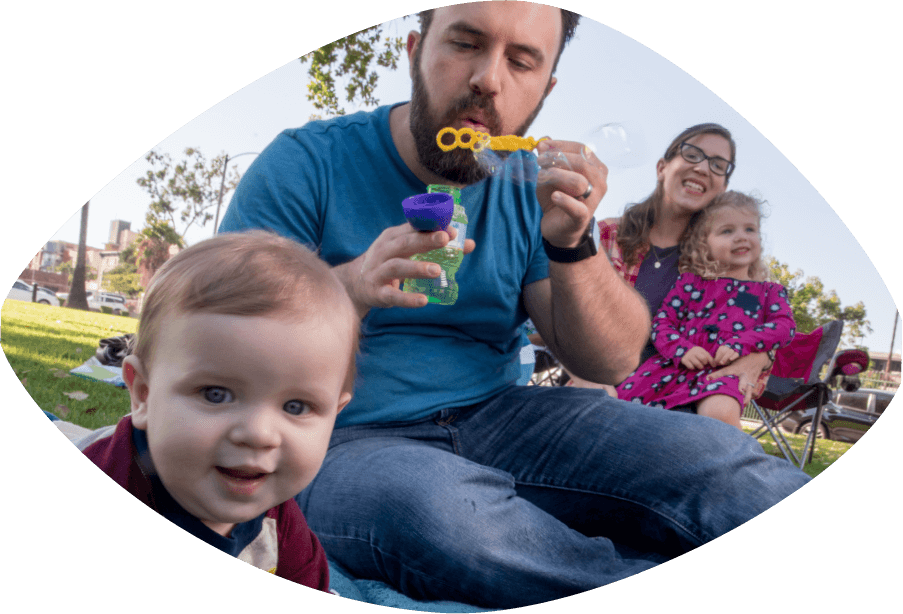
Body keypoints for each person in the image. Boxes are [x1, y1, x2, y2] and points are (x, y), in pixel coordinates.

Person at [219, 3, 811, 608]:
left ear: (545, 89)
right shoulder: (307, 162)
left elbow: (610, 361)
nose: (489, 80)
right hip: (340, 436)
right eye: (466, 44)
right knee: (444, 514)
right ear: (415, 52)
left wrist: (572, 244)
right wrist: (348, 286)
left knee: (712, 454)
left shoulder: (526, 185)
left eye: (522, 62)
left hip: (501, 415)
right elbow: (223, 334)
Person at [71, 230, 359, 592]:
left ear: (335, 415)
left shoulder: (280, 523)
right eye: (216, 394)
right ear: (143, 394)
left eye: (296, 406)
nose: (258, 433)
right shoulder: (114, 472)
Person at [616, 191, 796, 427]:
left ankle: (732, 462)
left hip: (723, 373)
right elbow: (662, 323)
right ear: (705, 243)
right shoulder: (690, 283)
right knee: (621, 406)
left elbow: (784, 327)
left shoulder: (769, 292)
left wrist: (744, 342)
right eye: (727, 231)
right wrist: (681, 349)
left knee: (720, 413)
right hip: (671, 368)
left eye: (750, 229)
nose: (741, 237)